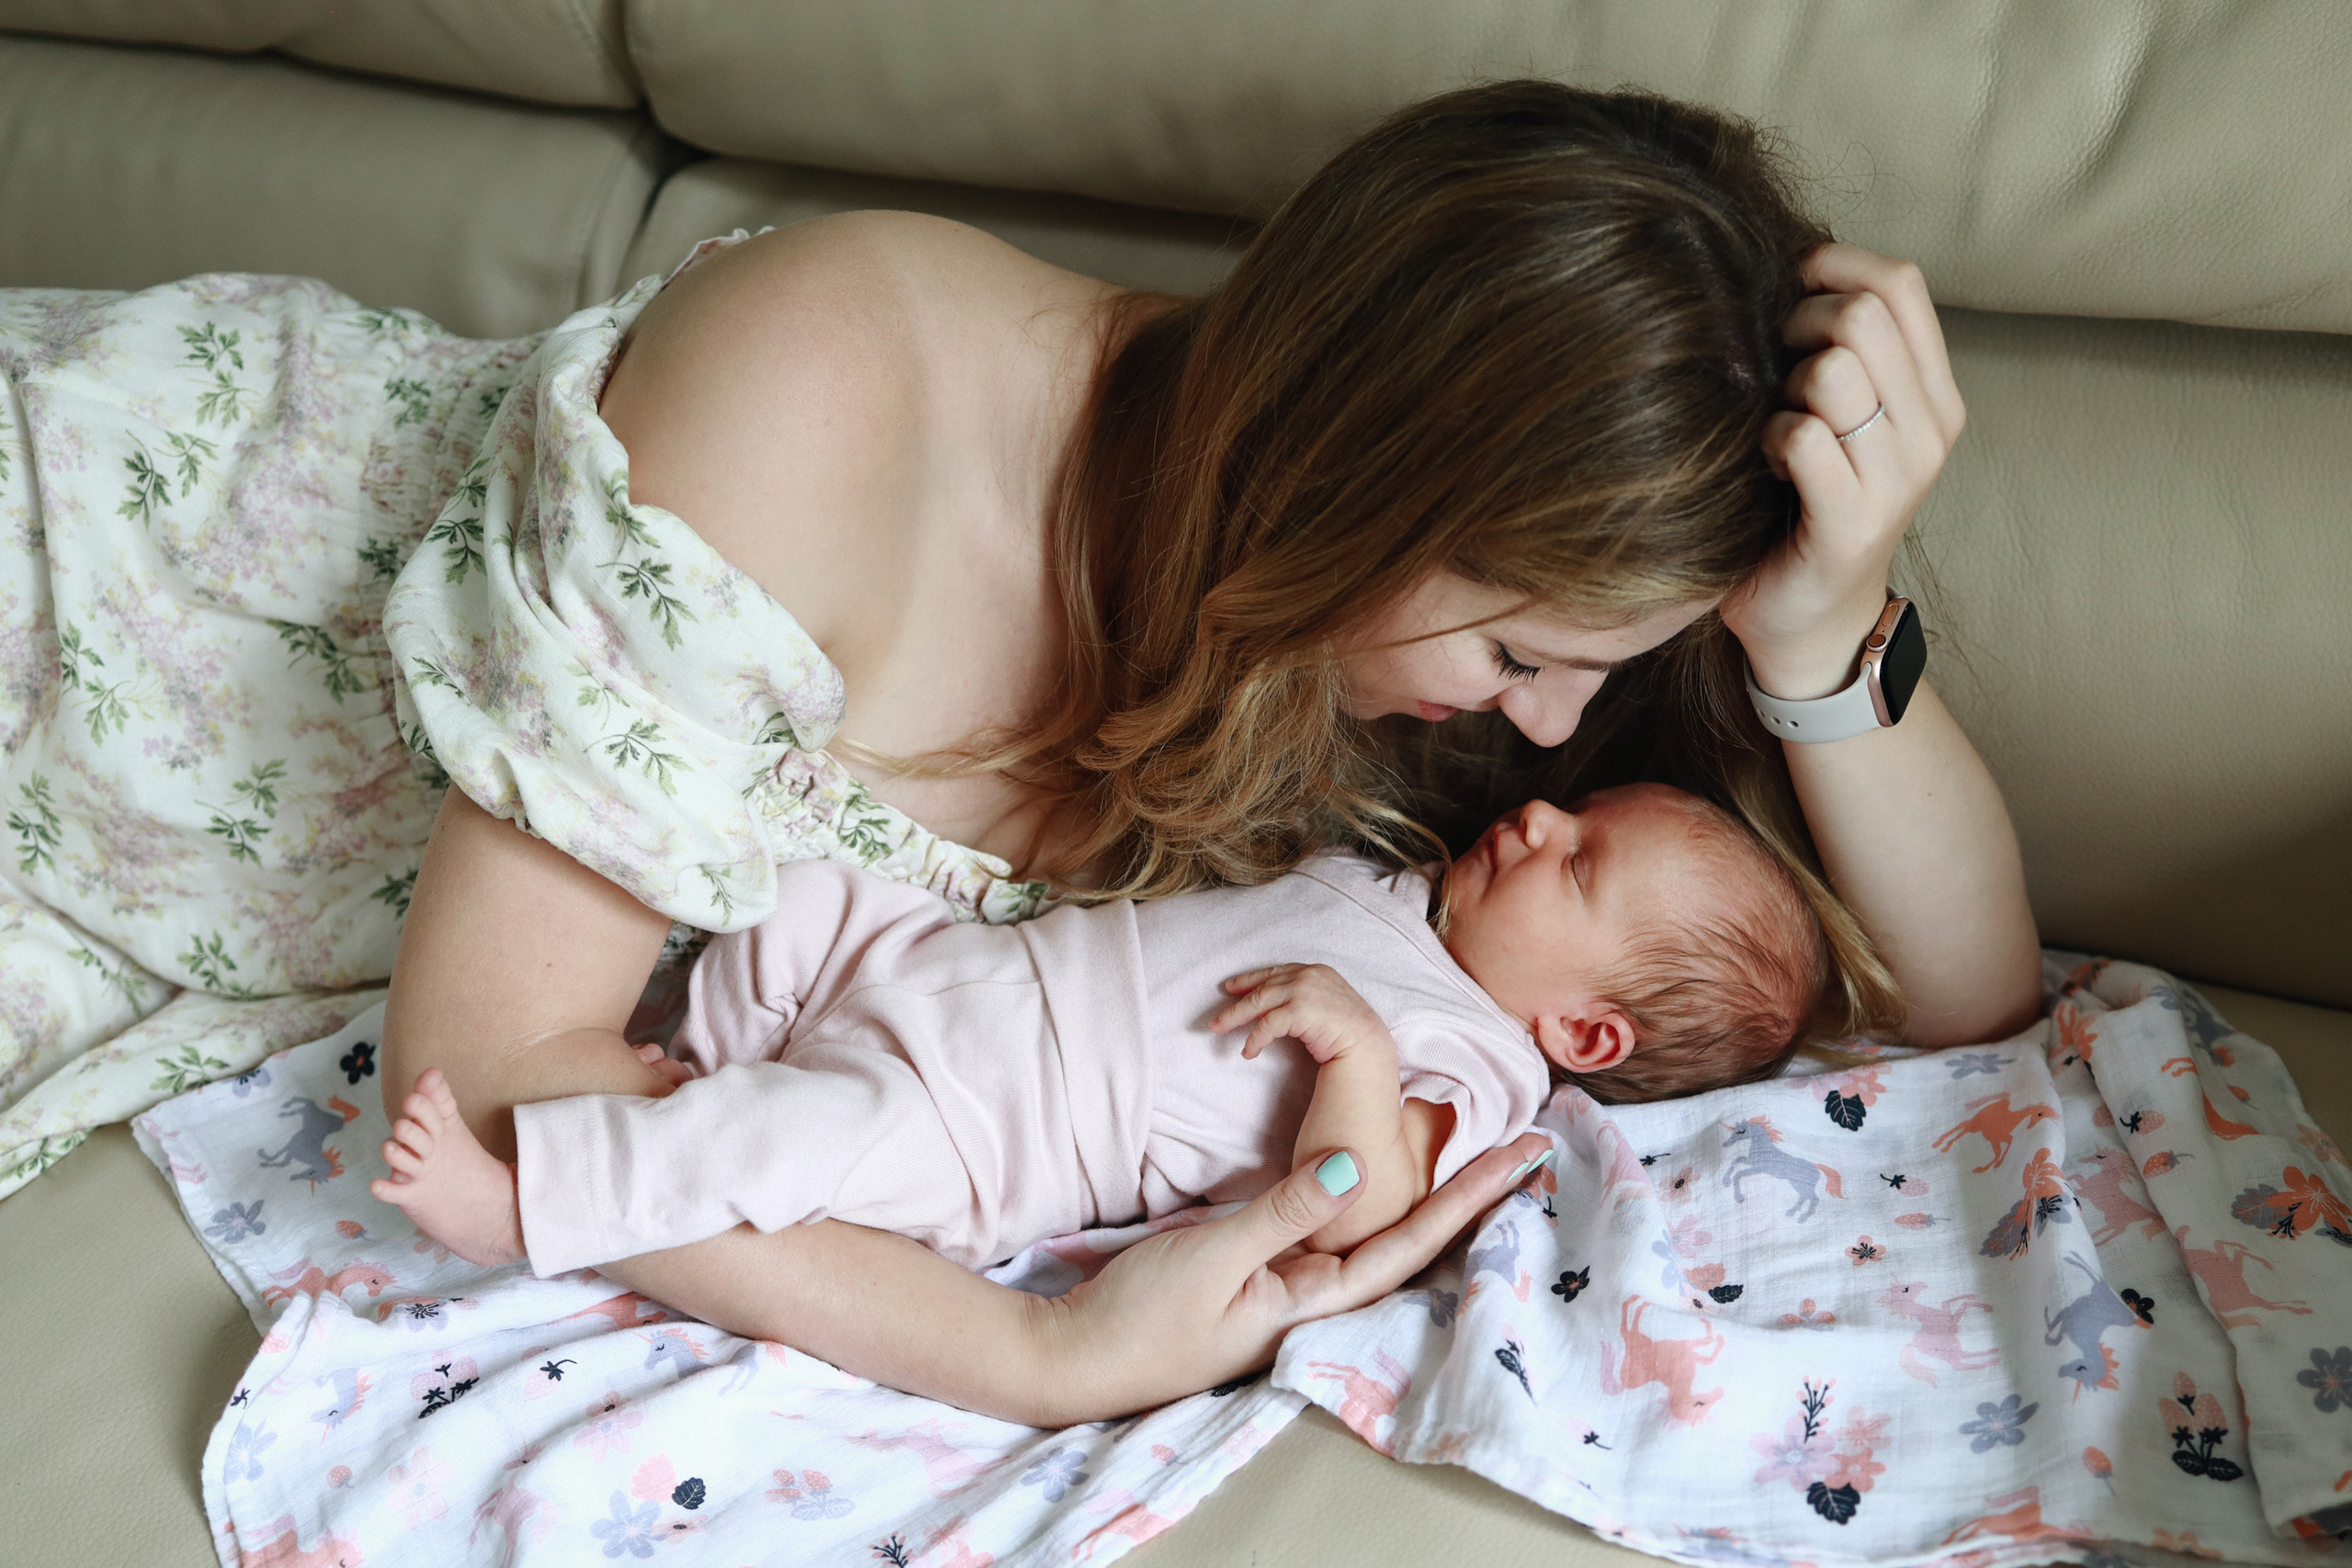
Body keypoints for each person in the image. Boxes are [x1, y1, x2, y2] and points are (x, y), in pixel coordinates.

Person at [0, 79, 2039, 1422]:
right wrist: (1028, 1351)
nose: (1549, 730)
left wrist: (1812, 615)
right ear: (1347, 467)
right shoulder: (838, 385)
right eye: (1518, 646)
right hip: (115, 599)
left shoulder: (1459, 744)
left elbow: (1962, 1000)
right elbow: (488, 1095)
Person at [368, 782, 1828, 1274]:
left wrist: (1357, 1057)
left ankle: (536, 1205)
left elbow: (1353, 1204)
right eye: (1575, 809)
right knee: (817, 874)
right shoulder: (1394, 889)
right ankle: (707, 1073)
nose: (1540, 814)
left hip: (998, 1126)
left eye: (1578, 863)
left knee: (814, 1135)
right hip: (959, 978)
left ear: (1583, 1037)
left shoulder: (1470, 1064)